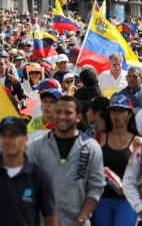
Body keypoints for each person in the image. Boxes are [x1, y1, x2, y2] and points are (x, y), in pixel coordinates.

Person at [27, 96, 106, 226]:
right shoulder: (37, 147)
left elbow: (96, 187)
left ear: (78, 117)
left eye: (68, 112)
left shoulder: (91, 147)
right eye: (58, 112)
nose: (62, 116)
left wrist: (81, 219)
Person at [0, 116, 58, 226]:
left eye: (14, 135)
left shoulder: (39, 175)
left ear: (25, 139)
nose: (8, 140)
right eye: (4, 135)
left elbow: (50, 216)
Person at [93, 94, 142, 226]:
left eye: (121, 111)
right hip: (102, 199)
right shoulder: (99, 137)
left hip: (127, 200)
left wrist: (128, 186)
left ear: (129, 114)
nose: (116, 115)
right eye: (113, 111)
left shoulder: (137, 142)